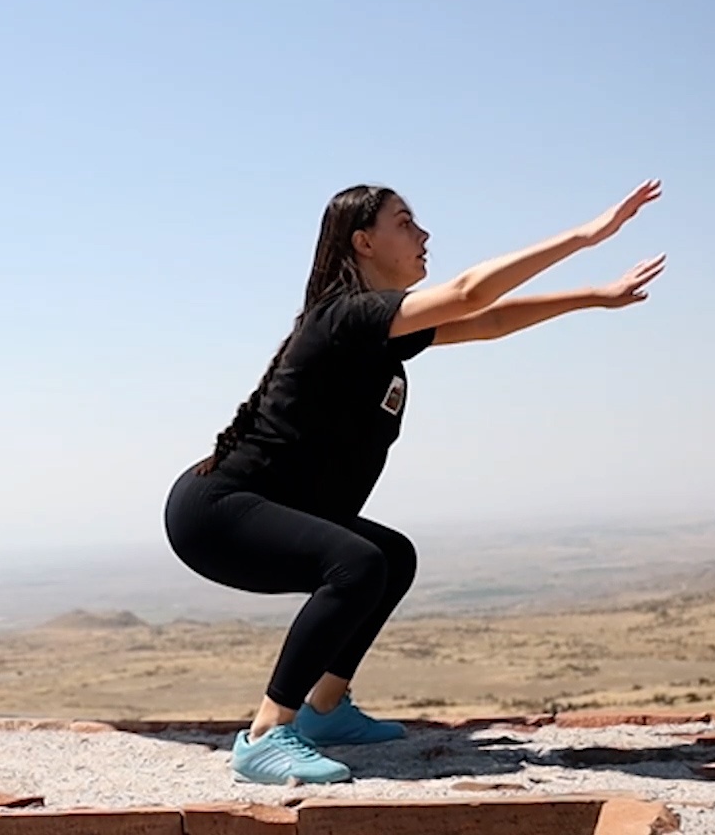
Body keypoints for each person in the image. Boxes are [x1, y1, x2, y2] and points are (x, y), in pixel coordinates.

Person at [164, 180, 665, 785]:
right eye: (406, 223)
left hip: (254, 506)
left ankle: (325, 708)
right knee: (357, 564)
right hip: (216, 514)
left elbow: (489, 319)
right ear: (363, 242)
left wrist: (594, 297)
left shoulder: (379, 333)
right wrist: (587, 236)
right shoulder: (346, 318)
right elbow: (467, 292)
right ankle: (268, 734)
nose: (424, 236)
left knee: (391, 556)